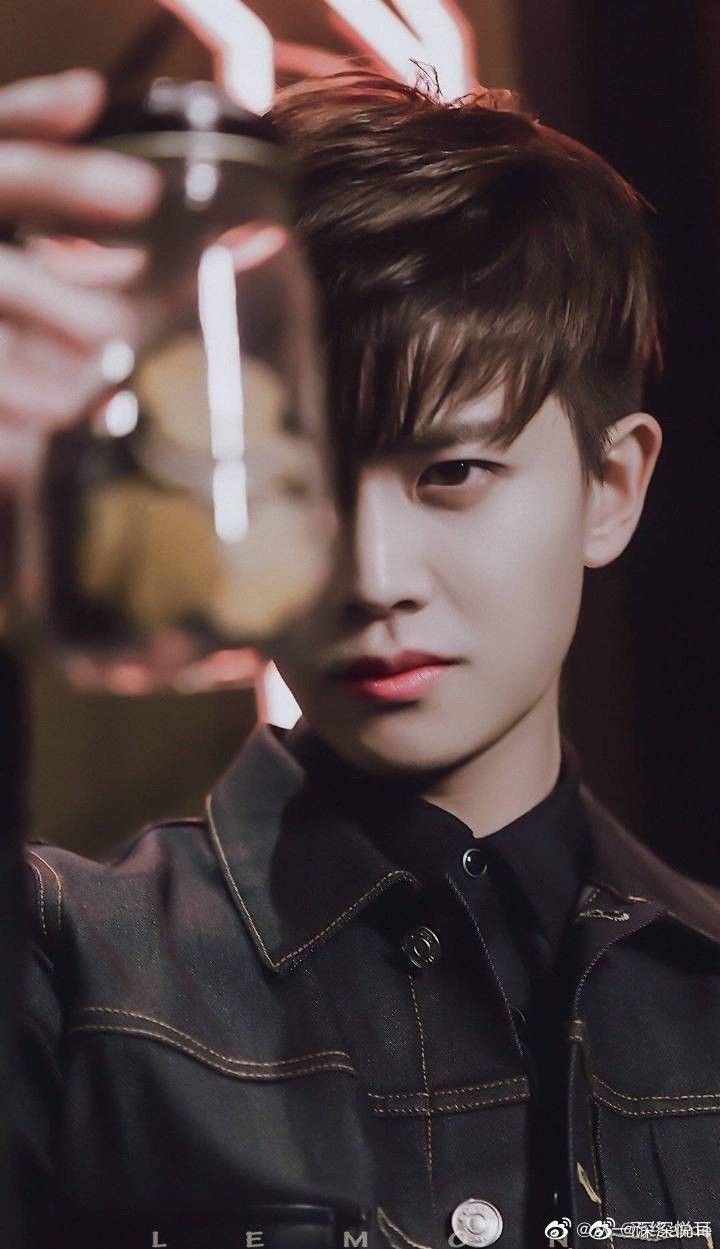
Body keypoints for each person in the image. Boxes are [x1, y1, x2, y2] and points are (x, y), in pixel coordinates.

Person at [5, 65, 720, 1249]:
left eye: (453, 472)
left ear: (611, 485)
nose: (372, 573)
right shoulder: (60, 965)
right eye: (308, 479)